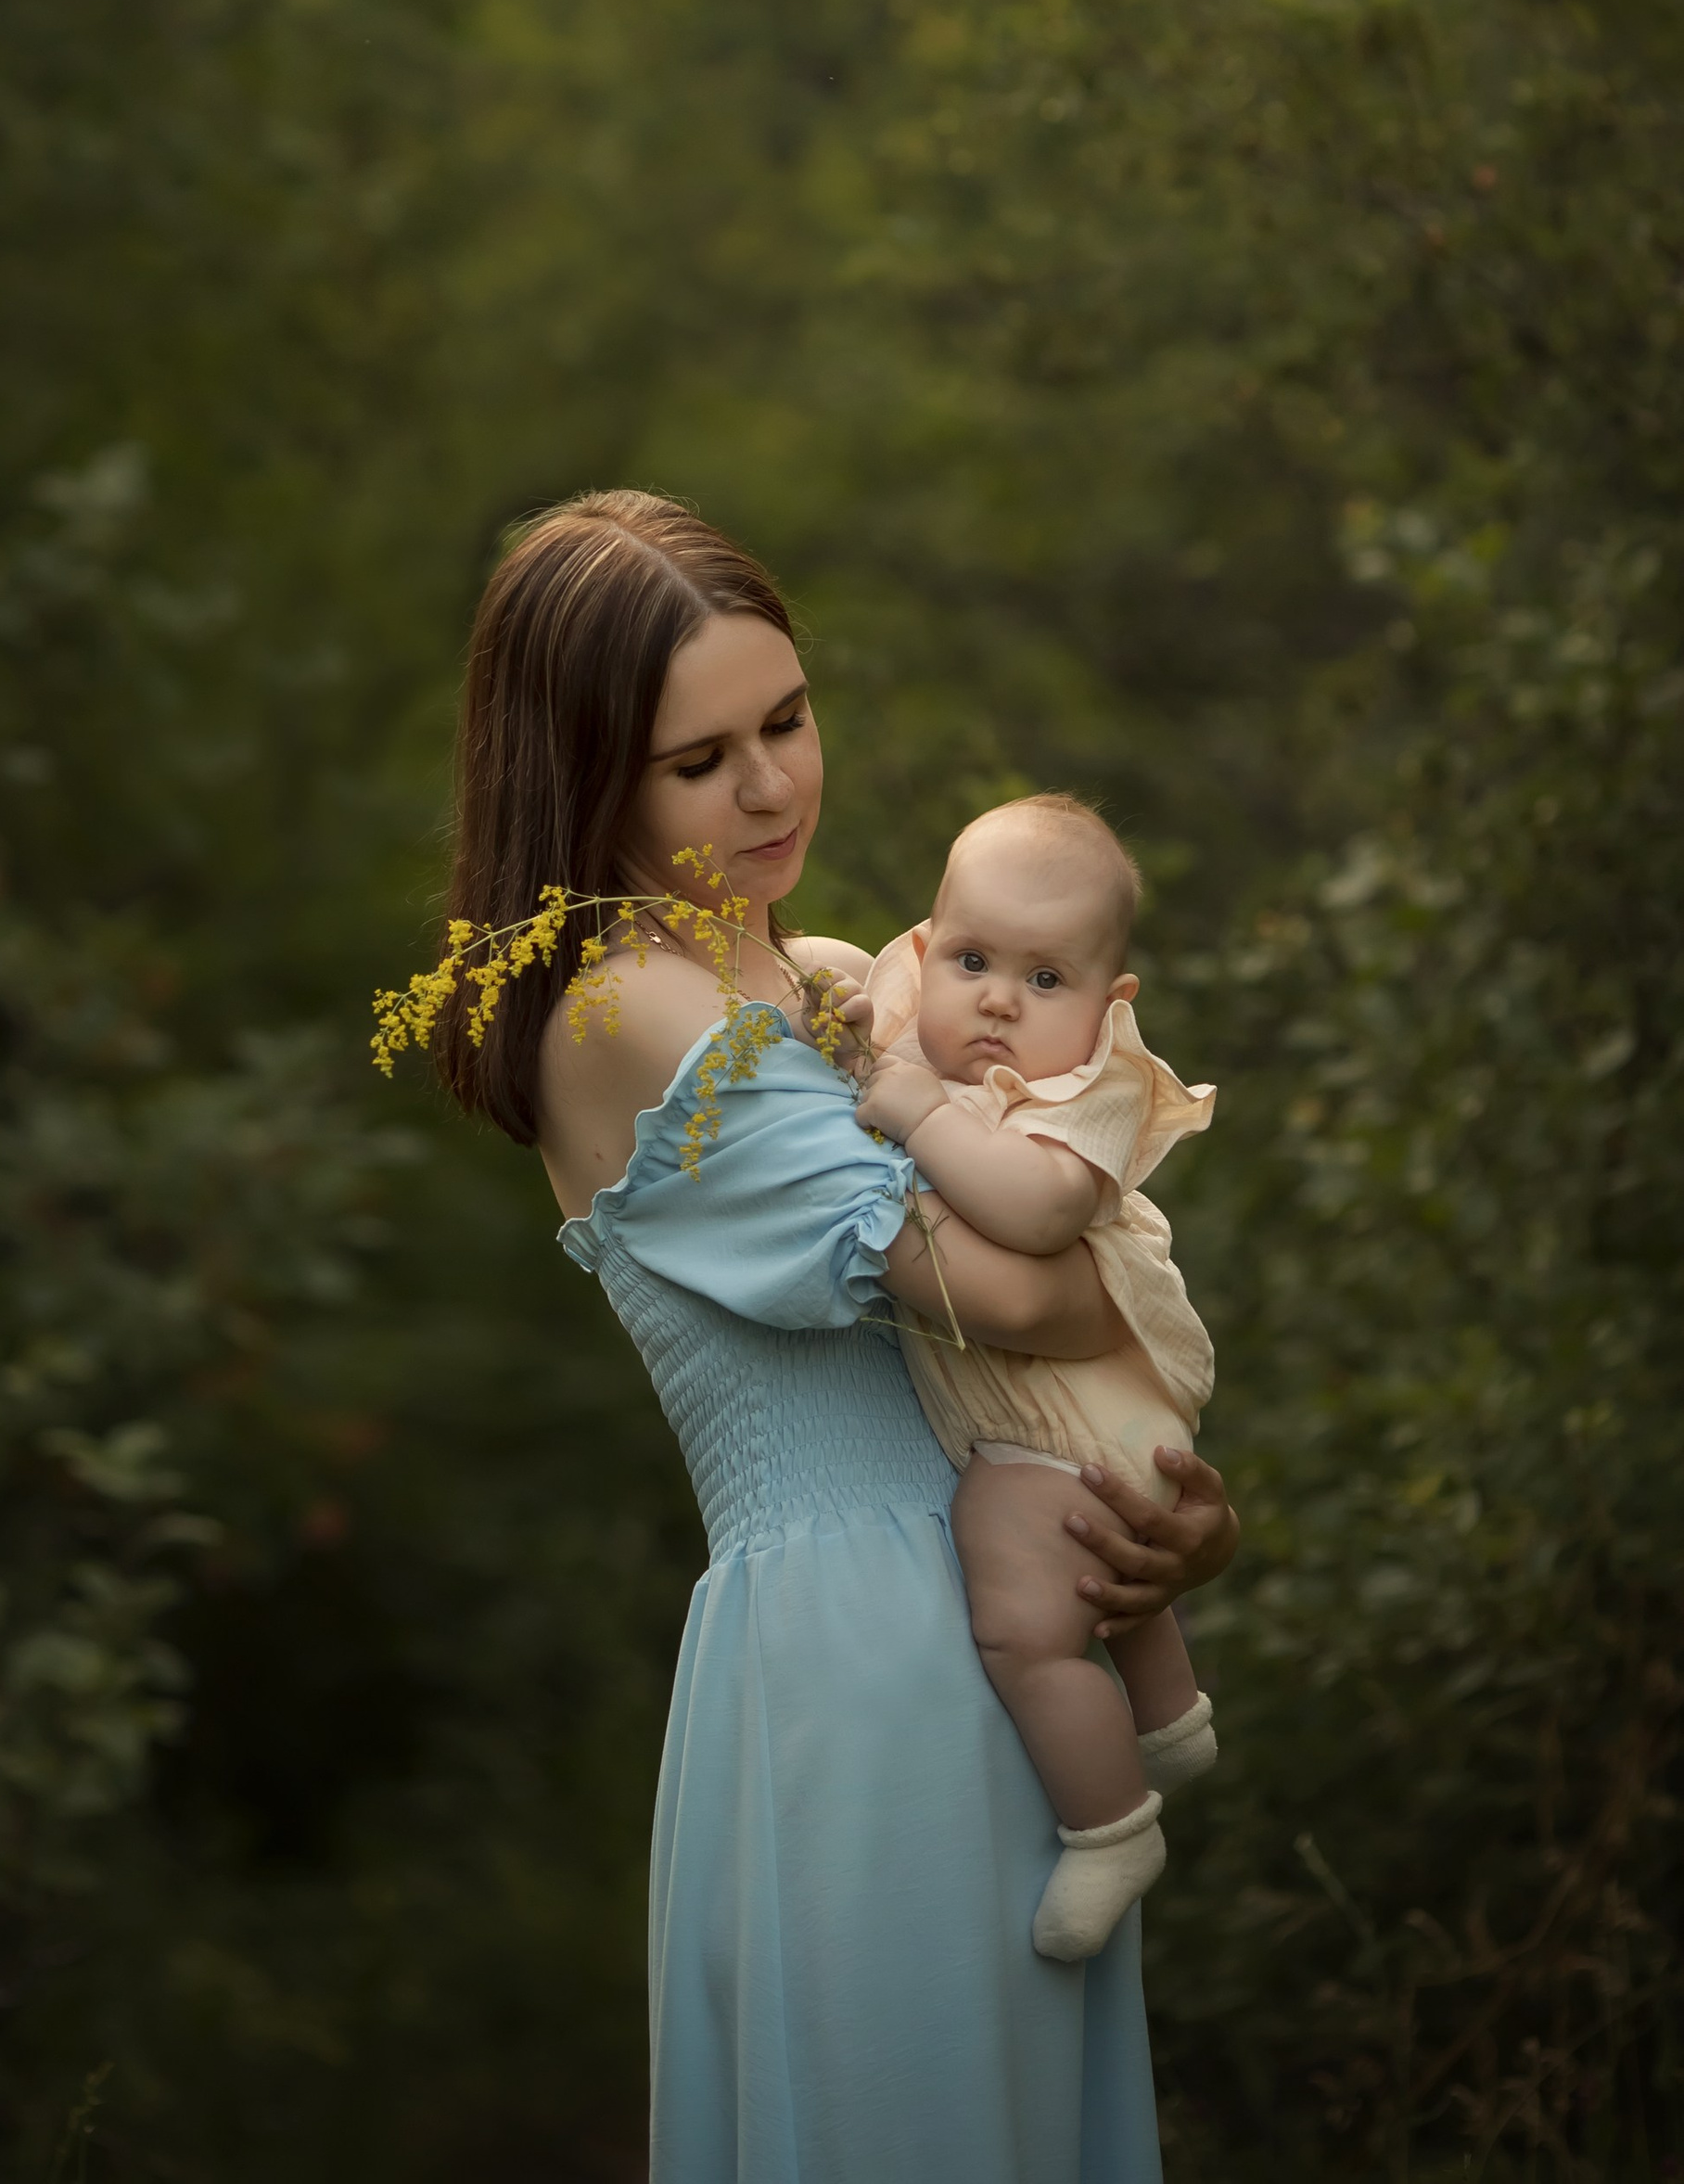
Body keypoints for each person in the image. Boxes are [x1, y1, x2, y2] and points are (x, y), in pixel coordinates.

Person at [428, 490, 1239, 2184]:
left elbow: (1017, 1282)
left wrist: (1151, 1505)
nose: (774, 785)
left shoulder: (809, 979)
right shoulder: (623, 1004)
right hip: (865, 1649)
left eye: (786, 719)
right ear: (586, 773)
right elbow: (1019, 1287)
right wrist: (1144, 1296)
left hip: (994, 1598)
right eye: (699, 759)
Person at [846, 797, 1219, 1962]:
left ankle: (1110, 1827)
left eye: (1045, 979)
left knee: (1020, 1628)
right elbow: (838, 994)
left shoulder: (1093, 1088)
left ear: (1112, 1008)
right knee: (1108, 1553)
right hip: (1083, 1417)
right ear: (922, 953)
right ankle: (1167, 1715)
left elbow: (1036, 1213)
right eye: (970, 961)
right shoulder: (925, 1022)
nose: (999, 1000)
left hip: (1070, 1417)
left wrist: (909, 1107)